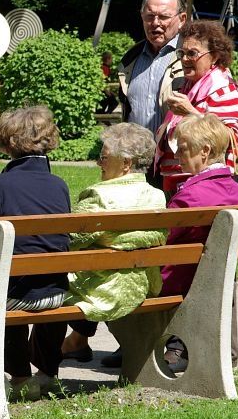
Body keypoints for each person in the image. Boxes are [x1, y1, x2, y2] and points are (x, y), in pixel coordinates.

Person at [0, 106, 70, 401]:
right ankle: (49, 374)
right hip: (57, 294)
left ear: (9, 143)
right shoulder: (59, 185)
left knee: (2, 285)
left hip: (14, 296)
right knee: (41, 281)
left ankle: (20, 377)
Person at [59, 123, 167, 366]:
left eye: (104, 158)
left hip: (103, 290)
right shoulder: (157, 195)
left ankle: (43, 368)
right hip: (145, 284)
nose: (99, 163)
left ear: (126, 163)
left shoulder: (99, 197)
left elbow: (69, 242)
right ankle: (76, 342)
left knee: (45, 281)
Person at [159, 113, 238, 372]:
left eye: (183, 148)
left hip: (179, 279)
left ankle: (144, 348)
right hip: (217, 278)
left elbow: (163, 238)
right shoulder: (234, 189)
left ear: (205, 150)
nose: (178, 155)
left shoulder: (191, 197)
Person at [154, 20, 238, 194]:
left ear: (215, 56)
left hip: (205, 187)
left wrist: (190, 112)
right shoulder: (187, 87)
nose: (185, 59)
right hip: (177, 183)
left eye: (192, 53)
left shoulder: (223, 91)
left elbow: (228, 139)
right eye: (182, 53)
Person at [118, 0, 187, 179]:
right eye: (149, 16)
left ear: (181, 19)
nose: (155, 23)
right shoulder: (130, 59)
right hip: (135, 166)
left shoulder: (192, 58)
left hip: (177, 163)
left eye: (164, 17)